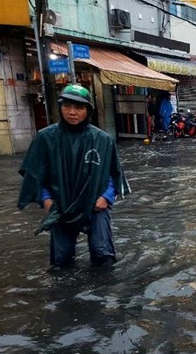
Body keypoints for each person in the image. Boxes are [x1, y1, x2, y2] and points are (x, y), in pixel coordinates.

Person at [17, 84, 130, 268]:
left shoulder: (102, 139)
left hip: (95, 204)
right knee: (61, 262)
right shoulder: (45, 138)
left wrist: (106, 197)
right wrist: (46, 199)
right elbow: (36, 174)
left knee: (103, 256)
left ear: (88, 110)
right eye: (67, 106)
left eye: (79, 108)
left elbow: (114, 173)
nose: (72, 112)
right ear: (60, 107)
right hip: (60, 205)